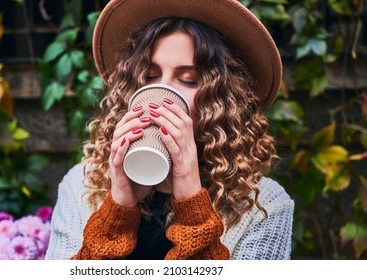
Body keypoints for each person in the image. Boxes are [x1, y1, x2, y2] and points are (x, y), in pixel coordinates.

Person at [45, 0, 294, 260]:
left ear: (225, 100)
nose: (161, 94)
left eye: (189, 80)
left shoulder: (263, 204)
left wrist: (191, 200)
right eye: (149, 76)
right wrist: (117, 210)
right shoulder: (83, 186)